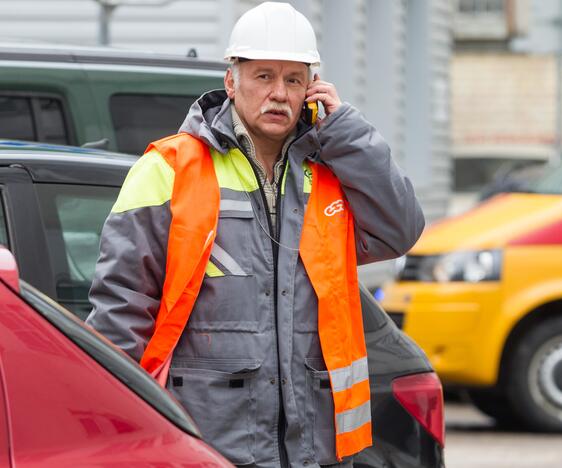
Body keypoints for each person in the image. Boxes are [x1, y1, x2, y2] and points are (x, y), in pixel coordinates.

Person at [85, 3, 424, 467]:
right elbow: (121, 308)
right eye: (263, 76)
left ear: (311, 88)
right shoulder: (169, 168)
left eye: (292, 79)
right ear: (232, 81)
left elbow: (401, 229)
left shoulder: (329, 175)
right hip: (202, 441)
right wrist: (114, 427)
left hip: (313, 448)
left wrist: (345, 129)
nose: (279, 94)